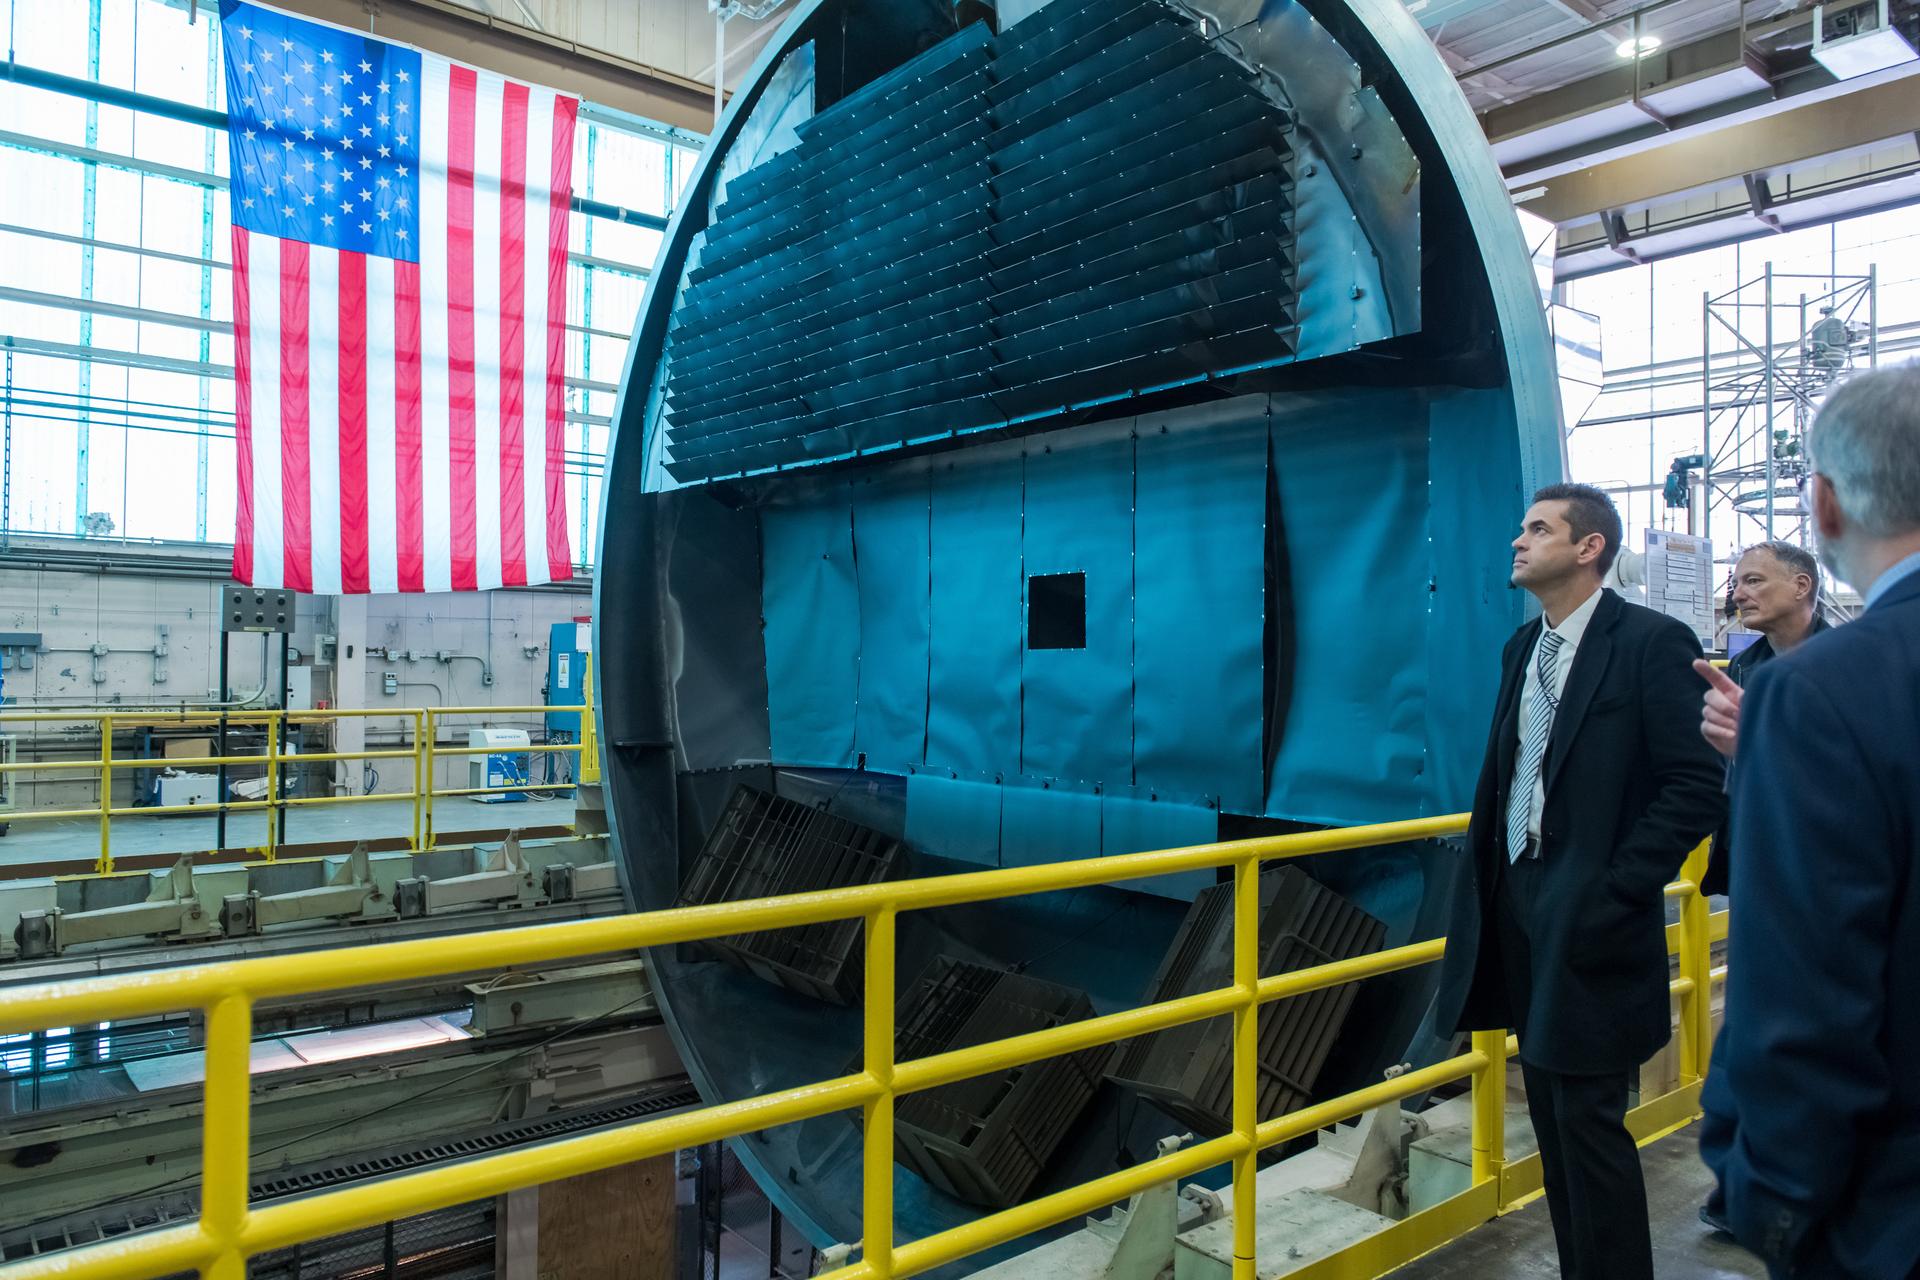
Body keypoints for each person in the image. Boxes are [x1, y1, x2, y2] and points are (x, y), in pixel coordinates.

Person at [1434, 482, 1726, 1280]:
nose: (1518, 542)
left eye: (1538, 529)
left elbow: (1695, 784)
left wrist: (1616, 886)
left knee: (1591, 1122)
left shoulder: (1653, 643)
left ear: (1589, 547)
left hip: (1591, 906)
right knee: (1555, 1122)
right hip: (1518, 901)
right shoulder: (1522, 649)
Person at [1700, 366, 1920, 1280]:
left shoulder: (1820, 690)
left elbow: (1804, 993)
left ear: (1824, 506)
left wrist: (1774, 1203)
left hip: (1886, 1211)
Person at [1695, 540, 1830, 896]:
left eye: (1753, 581)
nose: (1738, 595)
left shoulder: (1852, 664)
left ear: (1801, 586)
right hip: (1751, 853)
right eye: (1736, 584)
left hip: (1822, 860)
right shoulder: (1744, 666)